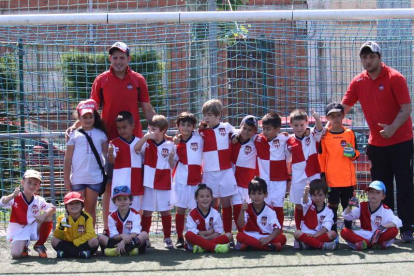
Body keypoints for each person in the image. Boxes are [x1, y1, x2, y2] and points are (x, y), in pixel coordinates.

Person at [66, 42, 156, 233]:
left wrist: (159, 128)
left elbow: (147, 108)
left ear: (129, 59)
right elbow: (92, 108)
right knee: (109, 184)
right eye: (114, 57)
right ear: (110, 59)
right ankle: (109, 228)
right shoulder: (101, 80)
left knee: (135, 185)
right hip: (109, 142)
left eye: (122, 57)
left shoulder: (138, 80)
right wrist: (76, 125)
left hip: (134, 142)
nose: (118, 61)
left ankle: (134, 228)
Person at [341, 41, 414, 242]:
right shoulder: (358, 82)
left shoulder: (395, 78)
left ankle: (407, 228)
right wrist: (328, 126)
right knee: (381, 188)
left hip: (401, 141)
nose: (367, 60)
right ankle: (383, 228)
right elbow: (343, 107)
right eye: (364, 57)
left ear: (379, 58)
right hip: (377, 145)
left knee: (405, 185)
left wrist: (392, 128)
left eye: (371, 56)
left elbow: (406, 109)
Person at [64, 99, 108, 225]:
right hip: (77, 178)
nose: (88, 119)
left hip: (94, 178)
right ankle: (74, 236)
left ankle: (90, 237)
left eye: (90, 116)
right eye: (84, 117)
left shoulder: (101, 134)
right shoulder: (74, 135)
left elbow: (107, 155)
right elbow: (67, 159)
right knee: (74, 210)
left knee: (90, 210)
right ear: (78, 117)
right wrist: (66, 179)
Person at [134, 114, 175, 249]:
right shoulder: (146, 142)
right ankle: (145, 237)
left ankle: (167, 237)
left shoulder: (170, 144)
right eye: (149, 128)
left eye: (154, 129)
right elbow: (136, 149)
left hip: (164, 183)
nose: (151, 131)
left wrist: (170, 157)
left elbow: (172, 165)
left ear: (163, 130)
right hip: (149, 183)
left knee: (165, 211)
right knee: (147, 211)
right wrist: (146, 136)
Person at [319, 102, 359, 232]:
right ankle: (333, 232)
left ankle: (348, 231)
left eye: (338, 115)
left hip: (347, 178)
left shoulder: (349, 133)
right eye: (332, 116)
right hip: (332, 179)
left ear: (343, 116)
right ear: (327, 118)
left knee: (348, 205)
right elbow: (322, 157)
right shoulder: (325, 136)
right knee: (332, 206)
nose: (336, 118)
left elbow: (355, 154)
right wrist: (323, 175)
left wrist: (351, 152)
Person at [198, 99, 237, 234]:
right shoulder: (201, 132)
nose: (206, 118)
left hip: (225, 171)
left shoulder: (226, 127)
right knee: (211, 203)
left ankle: (227, 233)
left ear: (218, 115)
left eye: (209, 114)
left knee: (226, 203)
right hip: (209, 173)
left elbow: (236, 134)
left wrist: (234, 138)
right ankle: (213, 231)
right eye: (205, 115)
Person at [0, 170, 55, 259]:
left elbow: (52, 208)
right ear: (22, 183)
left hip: (33, 227)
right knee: (16, 255)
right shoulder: (15, 197)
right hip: (18, 230)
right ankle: (24, 247)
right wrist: (12, 195)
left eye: (35, 184)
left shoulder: (39, 199)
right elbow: (2, 203)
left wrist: (43, 214)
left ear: (38, 186)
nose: (32, 186)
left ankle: (39, 244)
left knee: (47, 215)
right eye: (29, 182)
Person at [170, 112, 203, 248]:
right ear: (177, 126)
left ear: (193, 127)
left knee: (195, 211)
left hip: (196, 181)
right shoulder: (175, 143)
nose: (186, 128)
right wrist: (173, 148)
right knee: (181, 210)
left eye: (189, 125)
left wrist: (202, 125)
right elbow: (172, 164)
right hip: (181, 181)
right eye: (182, 125)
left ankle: (194, 236)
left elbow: (205, 127)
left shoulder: (198, 137)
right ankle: (179, 237)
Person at [287, 109, 323, 230]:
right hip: (298, 177)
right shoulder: (289, 140)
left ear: (307, 123)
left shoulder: (312, 134)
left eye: (302, 125)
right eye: (296, 125)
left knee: (315, 203)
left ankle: (315, 230)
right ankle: (299, 231)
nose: (299, 128)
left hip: (313, 174)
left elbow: (319, 129)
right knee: (299, 205)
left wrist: (317, 119)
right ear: (291, 125)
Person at [341, 181, 402, 250]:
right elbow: (347, 217)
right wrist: (349, 206)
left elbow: (398, 221)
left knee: (394, 230)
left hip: (379, 235)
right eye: (371, 192)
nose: (374, 194)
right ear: (367, 194)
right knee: (344, 231)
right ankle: (374, 244)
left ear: (383, 196)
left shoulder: (386, 210)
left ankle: (365, 244)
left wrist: (382, 227)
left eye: (378, 192)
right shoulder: (362, 206)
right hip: (364, 234)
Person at [254, 112, 290, 229]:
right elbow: (241, 133)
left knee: (278, 207)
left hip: (279, 181)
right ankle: (267, 230)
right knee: (266, 207)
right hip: (264, 181)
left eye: (268, 129)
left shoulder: (284, 139)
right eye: (263, 128)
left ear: (277, 129)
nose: (265, 131)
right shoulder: (258, 139)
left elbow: (302, 134)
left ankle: (278, 232)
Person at [107, 111, 144, 216]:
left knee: (135, 213)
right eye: (119, 128)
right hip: (119, 184)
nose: (121, 130)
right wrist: (109, 153)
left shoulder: (140, 142)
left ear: (132, 126)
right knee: (115, 213)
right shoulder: (113, 143)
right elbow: (111, 161)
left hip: (135, 184)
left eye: (124, 127)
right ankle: (114, 232)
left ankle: (135, 232)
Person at [236, 177, 287, 251]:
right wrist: (242, 210)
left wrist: (268, 239)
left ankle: (252, 246)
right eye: (253, 194)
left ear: (265, 195)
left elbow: (277, 229)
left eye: (260, 193)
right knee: (240, 236)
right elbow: (240, 225)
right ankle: (269, 247)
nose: (256, 196)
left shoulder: (270, 210)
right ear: (249, 195)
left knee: (282, 238)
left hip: (266, 236)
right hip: (251, 235)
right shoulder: (247, 208)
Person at [98, 185, 148, 257]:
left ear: (130, 200)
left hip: (131, 240)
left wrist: (124, 242)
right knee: (101, 237)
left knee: (144, 234)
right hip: (117, 240)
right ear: (115, 202)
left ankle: (115, 251)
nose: (122, 202)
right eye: (119, 199)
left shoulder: (135, 215)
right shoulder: (111, 217)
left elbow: (135, 233)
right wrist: (122, 236)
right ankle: (130, 251)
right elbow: (114, 236)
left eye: (125, 199)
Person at [184, 184, 232, 254]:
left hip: (210, 239)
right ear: (196, 198)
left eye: (207, 196)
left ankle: (202, 248)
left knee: (229, 235)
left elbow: (218, 231)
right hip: (196, 241)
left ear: (212, 198)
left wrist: (206, 238)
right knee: (188, 235)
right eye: (201, 196)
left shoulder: (215, 213)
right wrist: (207, 233)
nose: (205, 199)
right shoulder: (192, 213)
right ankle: (215, 247)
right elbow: (192, 231)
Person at [231, 115, 259, 232]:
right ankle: (237, 234)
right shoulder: (231, 139)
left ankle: (248, 232)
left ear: (254, 132)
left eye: (250, 130)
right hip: (232, 182)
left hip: (246, 183)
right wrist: (233, 135)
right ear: (240, 126)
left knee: (247, 209)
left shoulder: (256, 142)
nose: (246, 132)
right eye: (245, 128)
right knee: (235, 207)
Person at [51, 192, 99, 259]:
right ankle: (81, 254)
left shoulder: (87, 217)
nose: (74, 206)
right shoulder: (62, 218)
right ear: (66, 207)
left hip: (82, 243)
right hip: (68, 243)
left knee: (94, 241)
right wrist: (61, 227)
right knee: (54, 240)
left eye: (77, 203)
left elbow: (90, 234)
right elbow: (58, 236)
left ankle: (66, 253)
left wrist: (76, 242)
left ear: (82, 205)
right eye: (70, 203)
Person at [293, 179, 337, 250]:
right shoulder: (309, 204)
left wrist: (314, 235)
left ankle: (308, 244)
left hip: (318, 234)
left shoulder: (328, 211)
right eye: (314, 195)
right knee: (297, 233)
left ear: (325, 195)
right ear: (311, 195)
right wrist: (305, 193)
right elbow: (305, 201)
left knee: (333, 234)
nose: (317, 198)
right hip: (304, 234)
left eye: (320, 195)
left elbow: (326, 228)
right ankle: (322, 245)